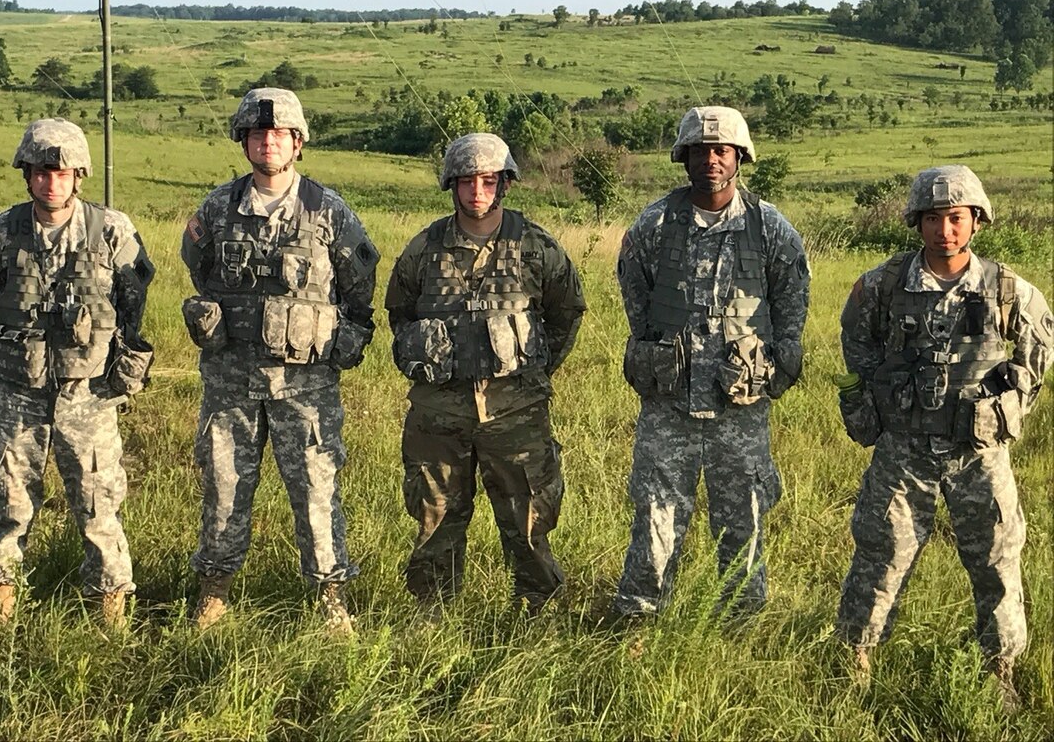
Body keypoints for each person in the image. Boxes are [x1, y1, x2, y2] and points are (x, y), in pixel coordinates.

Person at [835, 165, 1052, 710]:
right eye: (933, 218)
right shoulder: (881, 286)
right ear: (917, 223)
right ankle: (857, 660)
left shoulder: (1009, 290)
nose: (945, 230)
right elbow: (856, 348)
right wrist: (871, 403)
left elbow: (1037, 358)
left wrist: (1004, 411)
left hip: (978, 455)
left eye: (956, 218)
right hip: (904, 451)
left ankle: (999, 670)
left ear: (975, 221)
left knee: (998, 560)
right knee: (880, 553)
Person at [180, 87, 379, 633]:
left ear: (297, 142)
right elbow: (199, 270)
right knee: (224, 486)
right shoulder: (218, 209)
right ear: (243, 140)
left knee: (317, 488)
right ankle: (214, 590)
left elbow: (359, 285)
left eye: (279, 135)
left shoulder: (328, 211)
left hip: (305, 384)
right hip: (232, 379)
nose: (268, 143)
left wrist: (344, 339)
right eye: (258, 134)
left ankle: (330, 596)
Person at [608, 106, 809, 621]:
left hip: (739, 408)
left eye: (722, 151)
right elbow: (637, 300)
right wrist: (659, 358)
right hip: (668, 405)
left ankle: (741, 623)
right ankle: (638, 620)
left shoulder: (770, 229)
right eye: (700, 150)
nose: (711, 160)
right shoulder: (653, 225)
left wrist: (770, 370)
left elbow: (791, 308)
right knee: (655, 519)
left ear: (739, 157)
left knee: (743, 519)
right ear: (685, 157)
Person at [385, 132, 586, 620]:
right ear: (451, 185)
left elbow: (566, 313)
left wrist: (529, 375)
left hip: (516, 413)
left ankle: (536, 611)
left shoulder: (536, 246)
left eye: (489, 181)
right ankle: (433, 617)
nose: (479, 191)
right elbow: (400, 312)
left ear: (505, 185)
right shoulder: (424, 249)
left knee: (528, 516)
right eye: (468, 181)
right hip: (438, 414)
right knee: (435, 516)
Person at [0, 118, 155, 632]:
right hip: (21, 390)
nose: (50, 183)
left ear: (79, 176)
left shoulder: (112, 230)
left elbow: (133, 300)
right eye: (40, 172)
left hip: (88, 392)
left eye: (61, 173)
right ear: (26, 175)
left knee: (99, 504)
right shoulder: (3, 231)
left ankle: (110, 610)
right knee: (8, 498)